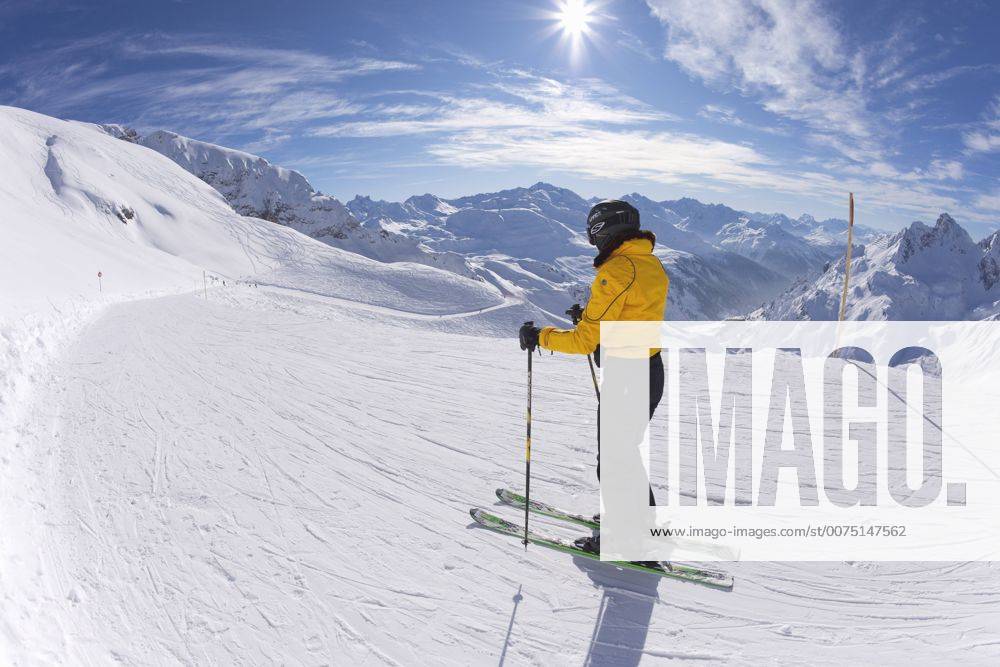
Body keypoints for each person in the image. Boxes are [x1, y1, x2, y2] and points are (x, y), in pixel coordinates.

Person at [518, 200, 669, 554]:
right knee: (624, 455)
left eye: (593, 230)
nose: (591, 238)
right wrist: (590, 314)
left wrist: (540, 336)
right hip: (650, 369)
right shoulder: (650, 264)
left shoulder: (616, 271)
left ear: (605, 230)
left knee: (615, 460)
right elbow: (633, 311)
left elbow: (586, 341)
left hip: (628, 379)